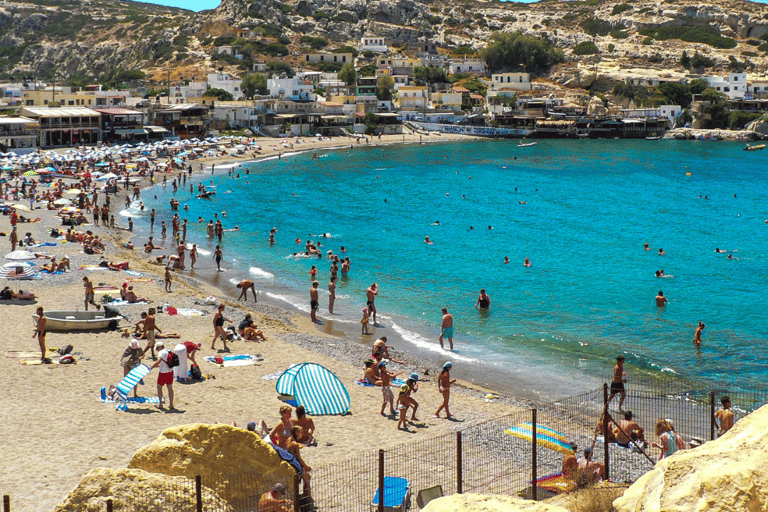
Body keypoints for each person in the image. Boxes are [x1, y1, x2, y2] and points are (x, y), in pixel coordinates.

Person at [286, 426, 312, 498]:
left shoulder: (288, 440)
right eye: (300, 432)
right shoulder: (295, 444)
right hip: (295, 464)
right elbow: (299, 458)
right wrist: (306, 467)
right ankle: (308, 497)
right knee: (307, 478)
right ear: (296, 432)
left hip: (290, 462)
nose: (301, 434)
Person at [151, 342, 174, 410]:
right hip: (170, 372)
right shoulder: (168, 350)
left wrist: (152, 366)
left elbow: (159, 361)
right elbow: (165, 363)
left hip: (163, 373)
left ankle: (160, 404)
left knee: (159, 387)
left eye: (157, 348)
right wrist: (157, 366)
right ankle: (171, 404)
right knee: (170, 388)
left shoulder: (161, 352)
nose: (157, 350)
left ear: (160, 347)